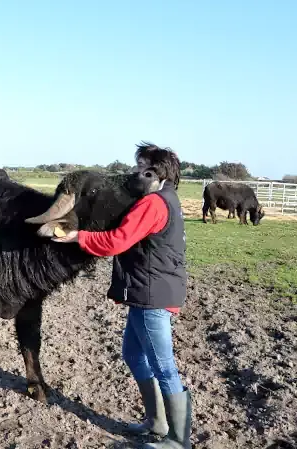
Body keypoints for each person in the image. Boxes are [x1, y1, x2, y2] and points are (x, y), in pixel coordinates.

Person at [53, 142, 191, 449]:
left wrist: (79, 236)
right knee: (133, 354)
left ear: (154, 173)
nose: (133, 174)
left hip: (152, 293)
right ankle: (156, 423)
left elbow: (118, 241)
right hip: (148, 288)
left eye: (139, 168)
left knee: (163, 366)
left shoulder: (153, 204)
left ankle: (178, 440)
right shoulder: (166, 198)